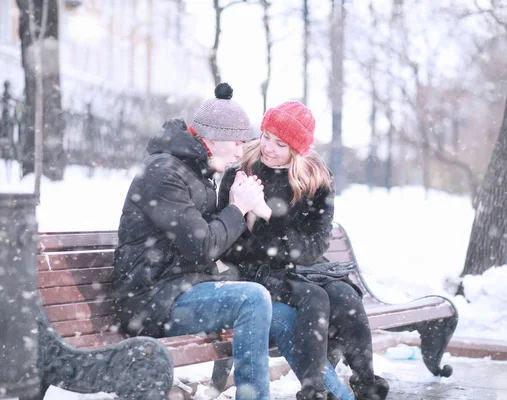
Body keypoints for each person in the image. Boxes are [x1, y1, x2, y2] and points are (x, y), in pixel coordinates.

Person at [218, 101, 389, 400]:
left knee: (347, 297)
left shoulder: (315, 180)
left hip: (305, 267)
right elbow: (233, 248)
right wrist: (246, 211)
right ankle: (314, 391)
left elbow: (313, 246)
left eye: (280, 144)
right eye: (266, 136)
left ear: (297, 150)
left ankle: (367, 386)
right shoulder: (241, 174)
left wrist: (267, 215)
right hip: (258, 271)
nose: (268, 148)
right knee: (315, 297)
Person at [111, 83, 273, 400]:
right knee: (252, 300)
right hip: (150, 300)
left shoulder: (195, 171)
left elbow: (212, 244)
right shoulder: (164, 172)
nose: (241, 153)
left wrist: (252, 214)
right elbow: (202, 246)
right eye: (237, 142)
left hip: (178, 289)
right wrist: (237, 207)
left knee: (268, 292)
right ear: (212, 138)